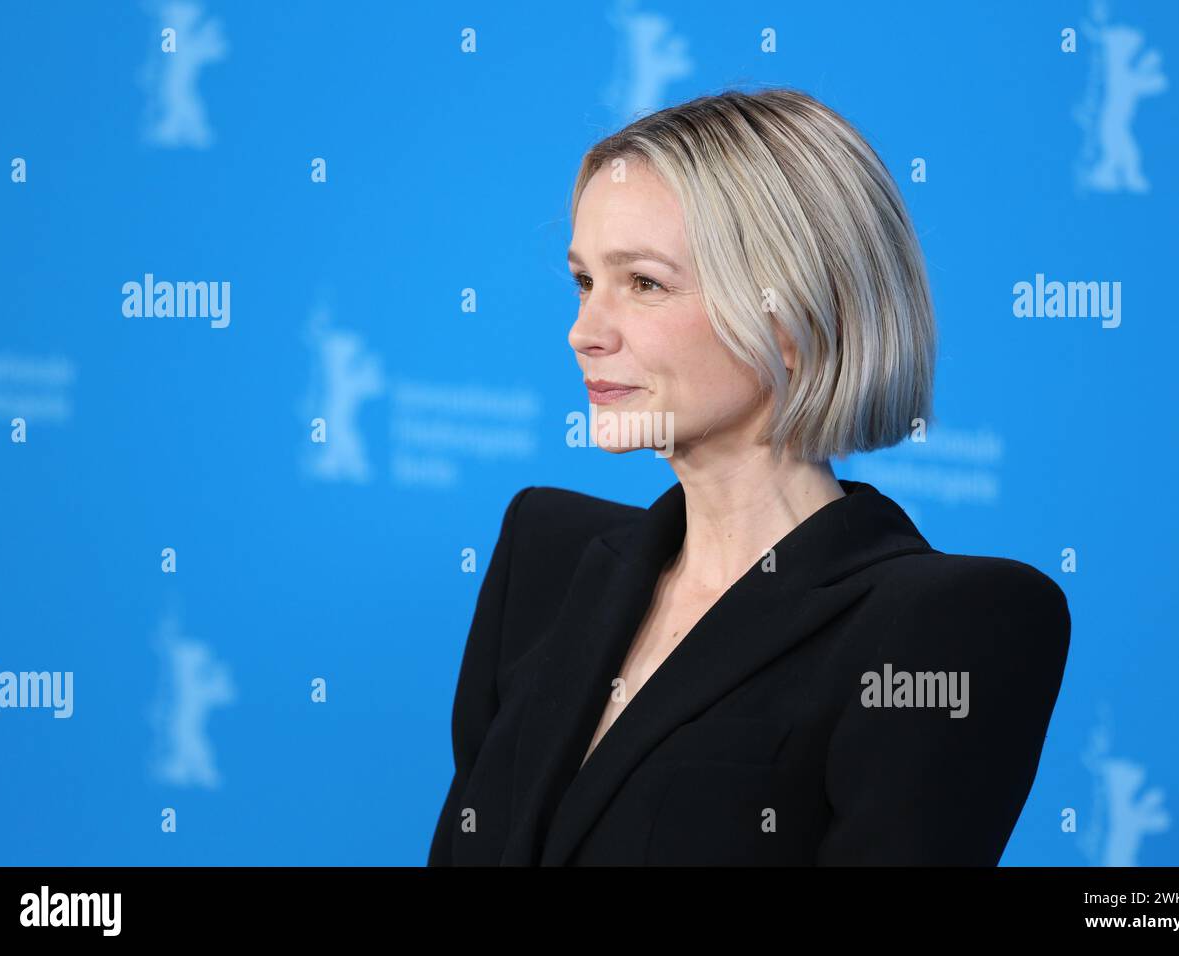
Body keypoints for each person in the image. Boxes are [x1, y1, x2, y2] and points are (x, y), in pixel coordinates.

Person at [428, 87, 1071, 866]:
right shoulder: (544, 555)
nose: (584, 332)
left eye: (644, 283)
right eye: (583, 281)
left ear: (793, 319)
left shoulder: (949, 624)